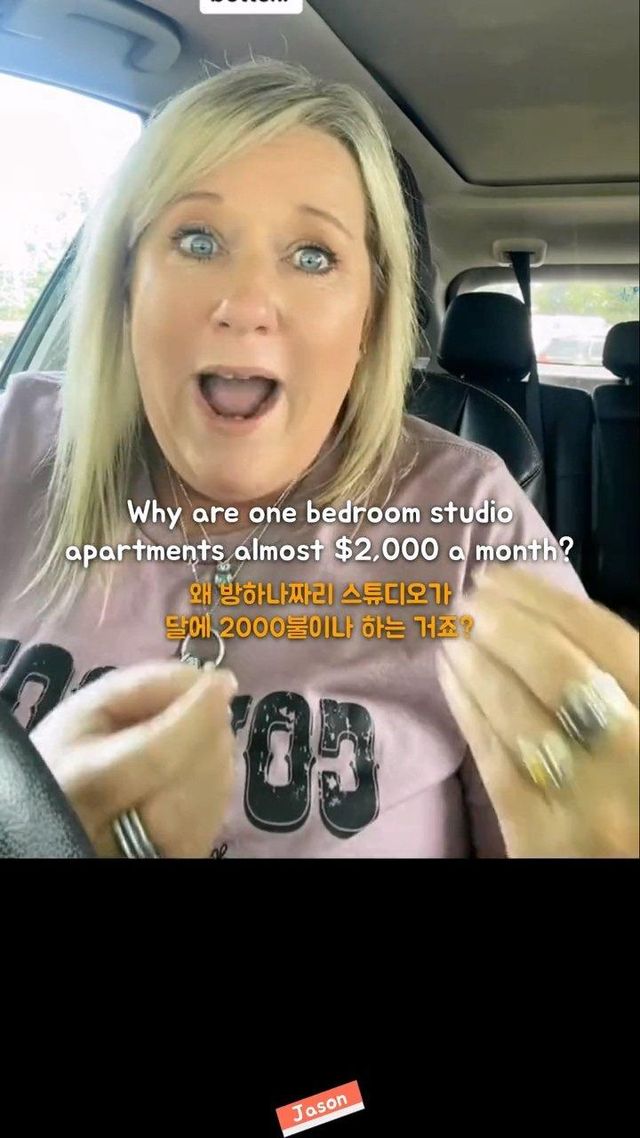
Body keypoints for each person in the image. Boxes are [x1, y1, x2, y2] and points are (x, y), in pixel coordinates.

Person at [0, 60, 637, 858]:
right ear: (127, 289)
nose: (244, 306)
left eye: (311, 256)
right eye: (197, 240)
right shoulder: (20, 438)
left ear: (369, 319)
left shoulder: (469, 517)